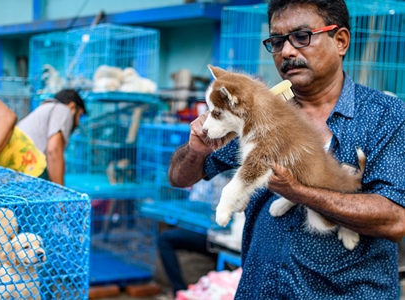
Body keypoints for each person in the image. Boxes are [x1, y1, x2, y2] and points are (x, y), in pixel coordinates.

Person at [168, 0, 405, 298]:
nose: (288, 51)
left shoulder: (386, 115)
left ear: (341, 40)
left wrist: (298, 191)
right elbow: (180, 177)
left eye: (302, 36)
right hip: (260, 289)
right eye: (277, 41)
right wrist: (196, 150)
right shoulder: (257, 110)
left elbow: (395, 218)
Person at [17, 89, 86, 185]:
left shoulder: (45, 109)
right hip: (25, 171)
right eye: (79, 115)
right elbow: (53, 151)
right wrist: (60, 196)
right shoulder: (63, 110)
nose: (78, 122)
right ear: (72, 107)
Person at [158, 228, 217, 298]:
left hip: (216, 237)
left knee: (165, 239)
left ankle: (179, 290)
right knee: (165, 238)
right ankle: (180, 291)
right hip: (206, 231)